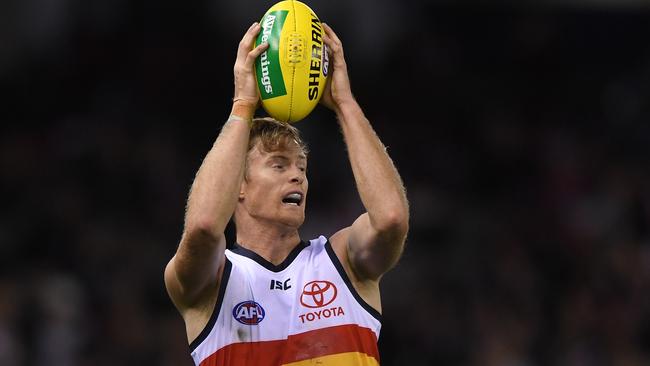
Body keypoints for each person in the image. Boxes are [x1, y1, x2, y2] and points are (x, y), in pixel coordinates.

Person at [164, 21, 409, 366]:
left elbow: (391, 220)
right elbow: (204, 225)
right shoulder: (212, 282)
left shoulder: (342, 262)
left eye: (301, 168)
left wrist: (345, 103)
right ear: (239, 187)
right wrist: (243, 105)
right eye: (279, 166)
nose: (296, 176)